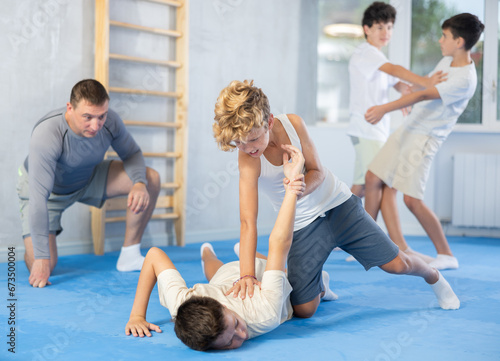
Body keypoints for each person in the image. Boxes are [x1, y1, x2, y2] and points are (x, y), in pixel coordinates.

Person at [213, 79, 460, 320]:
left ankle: (434, 276)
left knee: (398, 265)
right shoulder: (248, 160)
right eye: (240, 143)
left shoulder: (293, 124)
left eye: (254, 139)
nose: (249, 148)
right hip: (300, 226)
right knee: (304, 309)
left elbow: (317, 172)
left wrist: (296, 187)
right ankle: (320, 284)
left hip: (339, 206)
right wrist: (246, 275)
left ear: (269, 121)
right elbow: (248, 221)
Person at [125, 145, 307, 350]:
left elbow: (279, 245)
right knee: (219, 273)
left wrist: (137, 315)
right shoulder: (185, 308)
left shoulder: (264, 314)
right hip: (230, 278)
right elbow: (154, 255)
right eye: (230, 342)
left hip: (259, 273)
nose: (242, 334)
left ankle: (238, 254)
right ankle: (211, 253)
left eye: (236, 324)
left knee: (308, 300)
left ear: (222, 305)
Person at [364, 13, 485, 270]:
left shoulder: (464, 79)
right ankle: (398, 248)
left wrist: (384, 109)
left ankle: (446, 254)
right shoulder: (447, 60)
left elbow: (425, 96)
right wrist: (405, 90)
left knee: (411, 200)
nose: (440, 40)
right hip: (410, 128)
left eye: (445, 36)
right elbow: (423, 86)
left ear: (460, 41)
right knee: (376, 178)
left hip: (424, 138)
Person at [17, 79, 161, 288]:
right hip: (49, 195)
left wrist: (139, 182)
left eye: (101, 116)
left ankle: (129, 255)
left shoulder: (110, 122)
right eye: (87, 117)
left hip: (87, 178)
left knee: (151, 179)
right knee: (46, 266)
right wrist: (40, 257)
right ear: (70, 108)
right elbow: (39, 198)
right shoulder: (48, 133)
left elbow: (132, 153)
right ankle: (34, 244)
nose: (95, 125)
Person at [347, 1, 446, 199]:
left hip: (373, 129)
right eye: (379, 27)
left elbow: (398, 83)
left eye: (390, 27)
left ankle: (338, 227)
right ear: (367, 29)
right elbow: (394, 70)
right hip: (367, 128)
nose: (386, 32)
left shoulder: (377, 57)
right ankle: (361, 229)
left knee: (361, 186)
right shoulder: (366, 53)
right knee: (377, 182)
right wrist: (425, 81)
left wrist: (411, 89)